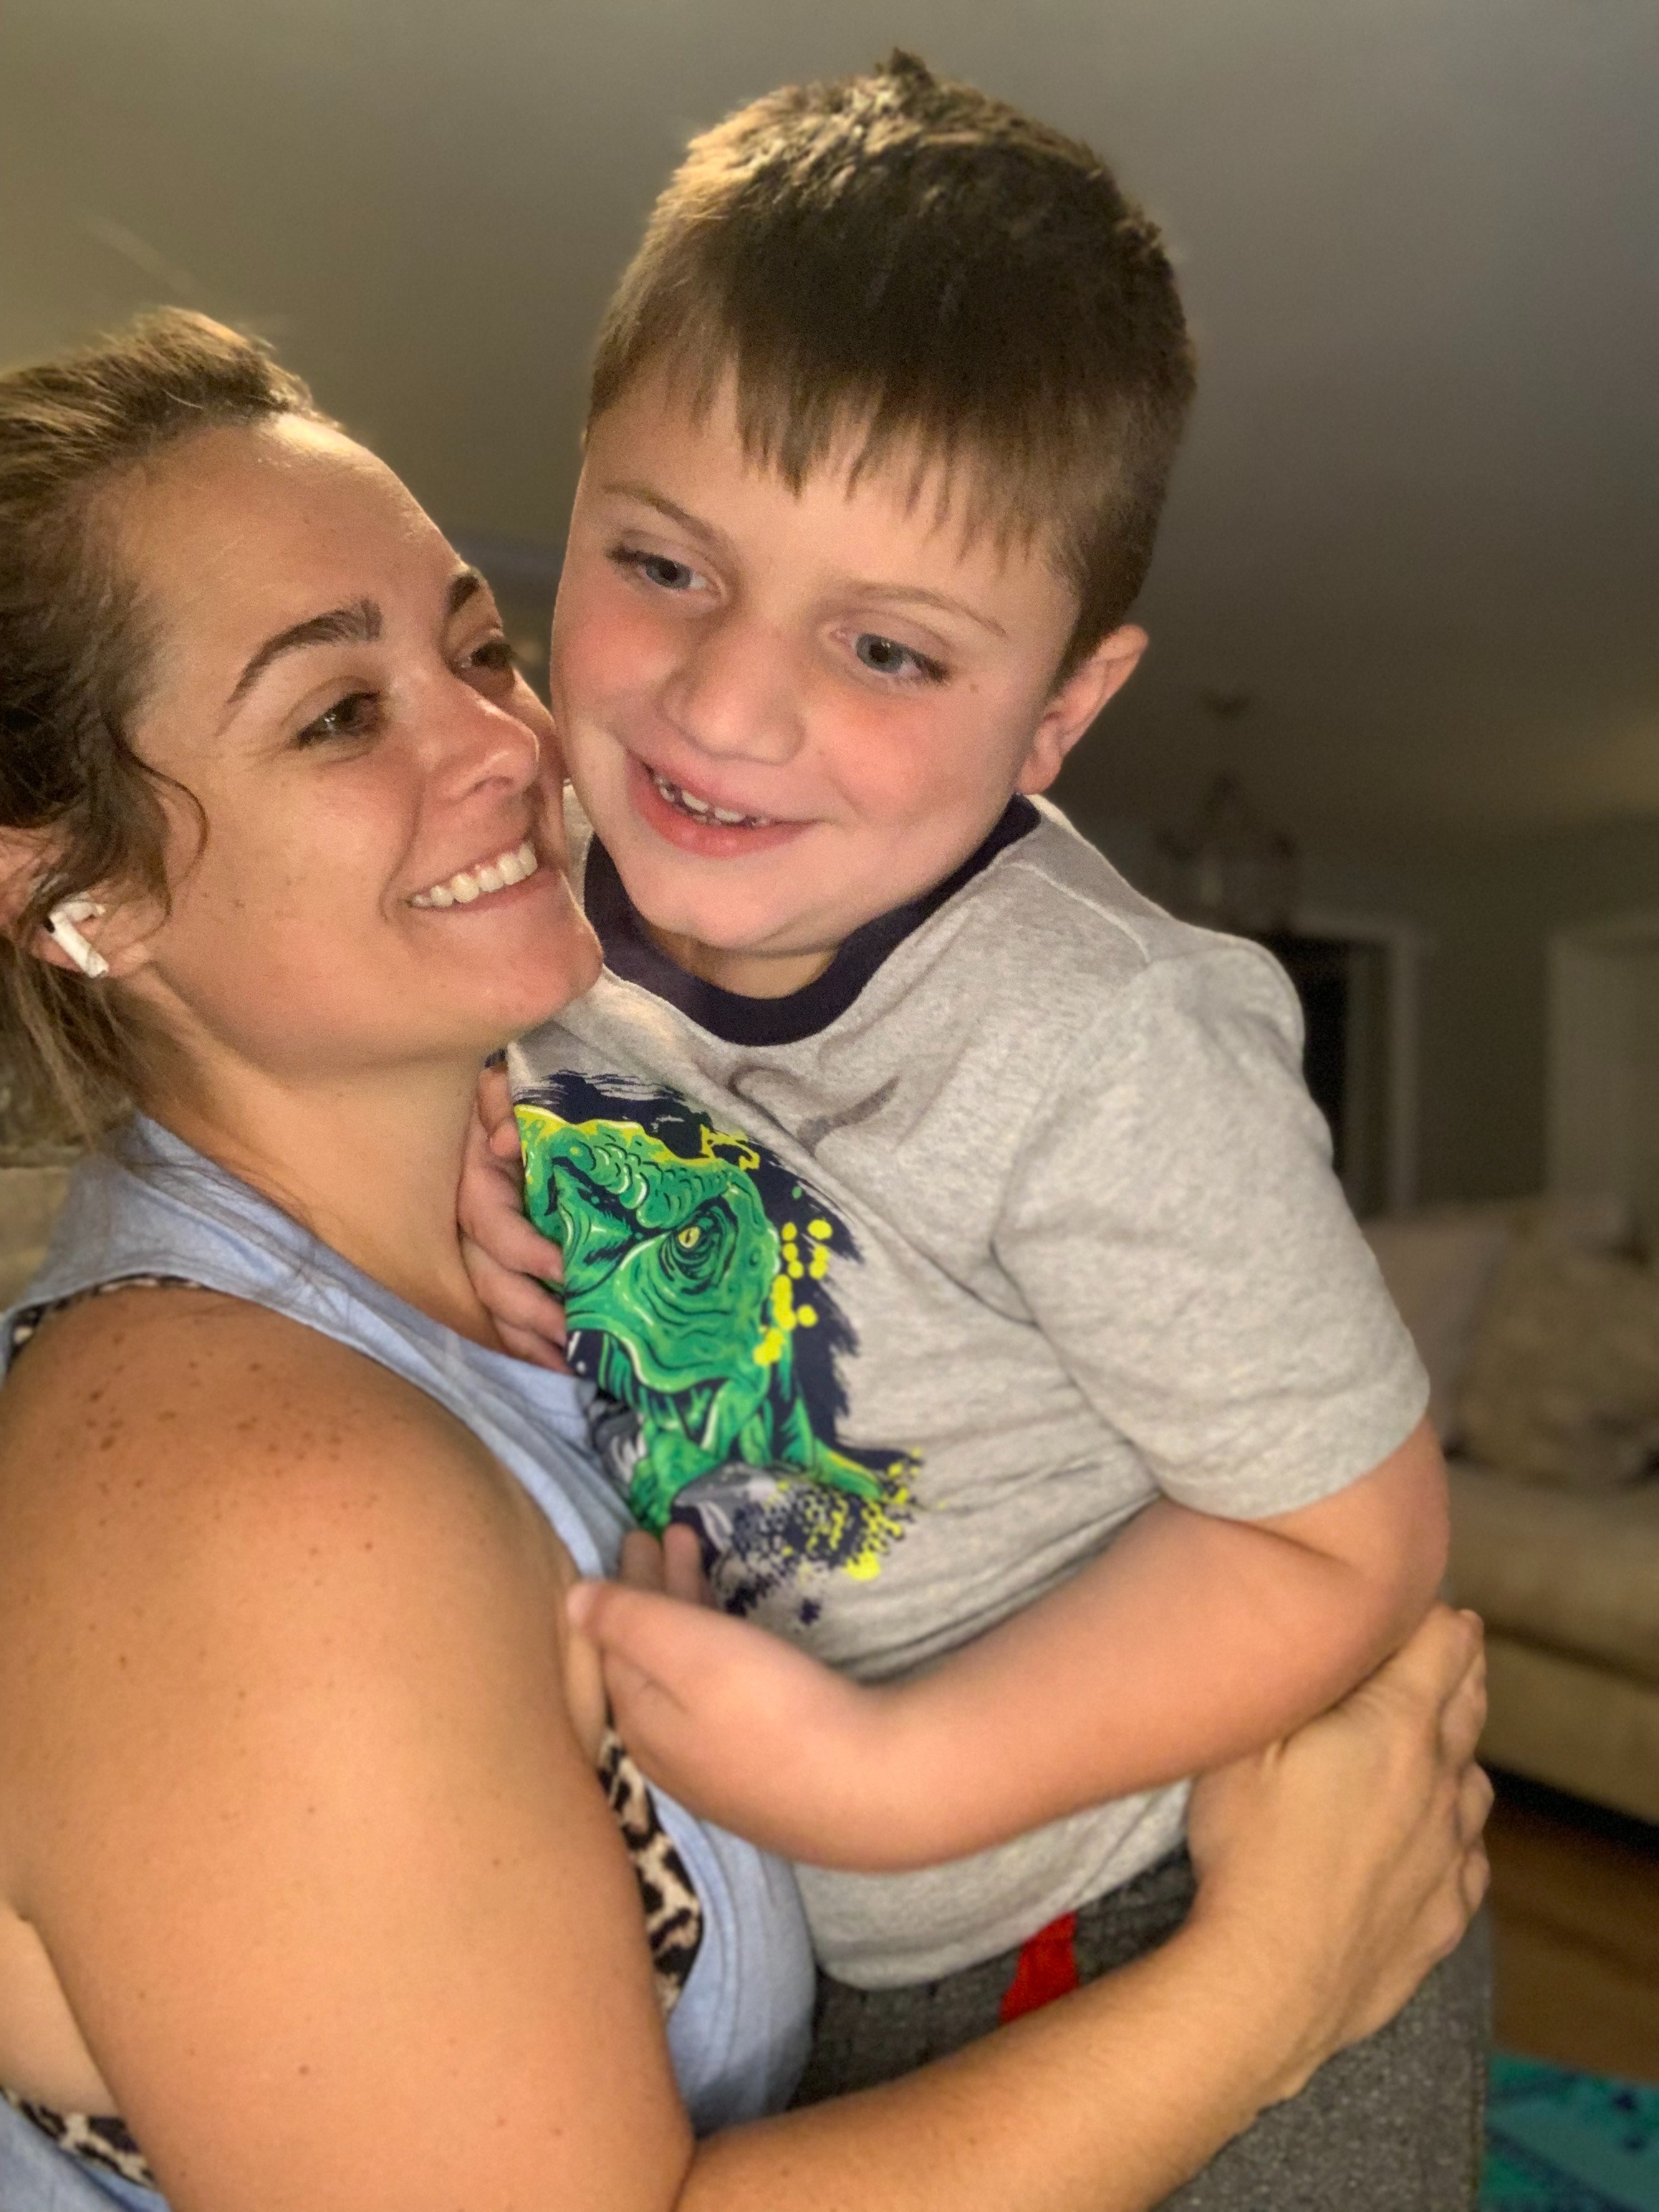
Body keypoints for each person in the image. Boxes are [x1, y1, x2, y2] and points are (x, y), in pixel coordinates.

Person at [0, 309, 1491, 2212]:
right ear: (81, 893)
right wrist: (1277, 1980)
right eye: (337, 714)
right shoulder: (252, 1504)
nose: (510, 745)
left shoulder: (581, 1166)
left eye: (479, 647)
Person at [457, 54, 1485, 2203]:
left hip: (1168, 1883)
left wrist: (896, 1775)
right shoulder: (526, 884)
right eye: (661, 563)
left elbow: (1348, 1541)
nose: (725, 706)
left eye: (890, 650)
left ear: (1063, 714)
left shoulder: (1097, 1045)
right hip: (821, 1921)